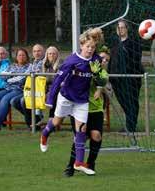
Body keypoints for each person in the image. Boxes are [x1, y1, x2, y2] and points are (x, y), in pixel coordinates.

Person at [40, 27, 104, 176]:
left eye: (93, 47)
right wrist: (50, 99)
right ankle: (44, 134)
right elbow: (58, 80)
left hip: (82, 101)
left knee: (81, 130)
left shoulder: (96, 60)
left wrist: (99, 87)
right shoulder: (71, 61)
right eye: (87, 46)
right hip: (66, 98)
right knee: (56, 123)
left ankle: (78, 163)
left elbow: (101, 74)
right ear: (81, 45)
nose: (90, 49)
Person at [63, 47, 110, 177]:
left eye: (107, 59)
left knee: (96, 135)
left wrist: (100, 88)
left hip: (95, 109)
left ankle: (90, 164)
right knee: (81, 135)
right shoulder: (82, 68)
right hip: (79, 107)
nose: (104, 61)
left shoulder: (103, 74)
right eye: (102, 58)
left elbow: (103, 82)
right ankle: (71, 166)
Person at [108, 19, 144, 133]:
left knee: (131, 102)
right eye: (118, 28)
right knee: (123, 102)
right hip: (116, 78)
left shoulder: (133, 43)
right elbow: (111, 60)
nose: (120, 30)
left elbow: (136, 60)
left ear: (127, 29)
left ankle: (130, 126)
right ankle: (129, 124)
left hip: (130, 78)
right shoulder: (114, 43)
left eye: (122, 27)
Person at [0, 48, 31, 131]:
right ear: (16, 57)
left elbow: (22, 79)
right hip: (7, 88)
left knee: (5, 99)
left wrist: (10, 76)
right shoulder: (12, 65)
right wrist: (11, 76)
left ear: (26, 57)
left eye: (23, 55)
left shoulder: (29, 66)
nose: (21, 57)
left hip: (19, 89)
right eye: (19, 55)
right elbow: (3, 77)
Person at [10, 44, 45, 128]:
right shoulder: (33, 63)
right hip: (30, 90)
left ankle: (31, 124)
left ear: (43, 52)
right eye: (35, 51)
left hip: (41, 90)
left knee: (23, 101)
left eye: (39, 51)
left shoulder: (44, 62)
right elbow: (26, 76)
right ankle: (35, 120)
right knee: (14, 101)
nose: (37, 53)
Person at [41, 46, 62, 121]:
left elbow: (56, 80)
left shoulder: (61, 65)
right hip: (45, 88)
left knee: (54, 95)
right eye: (49, 54)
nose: (52, 55)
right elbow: (42, 80)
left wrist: (54, 68)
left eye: (54, 54)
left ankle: (51, 120)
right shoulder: (44, 65)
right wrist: (44, 68)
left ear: (57, 55)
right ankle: (37, 119)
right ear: (46, 55)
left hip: (57, 88)